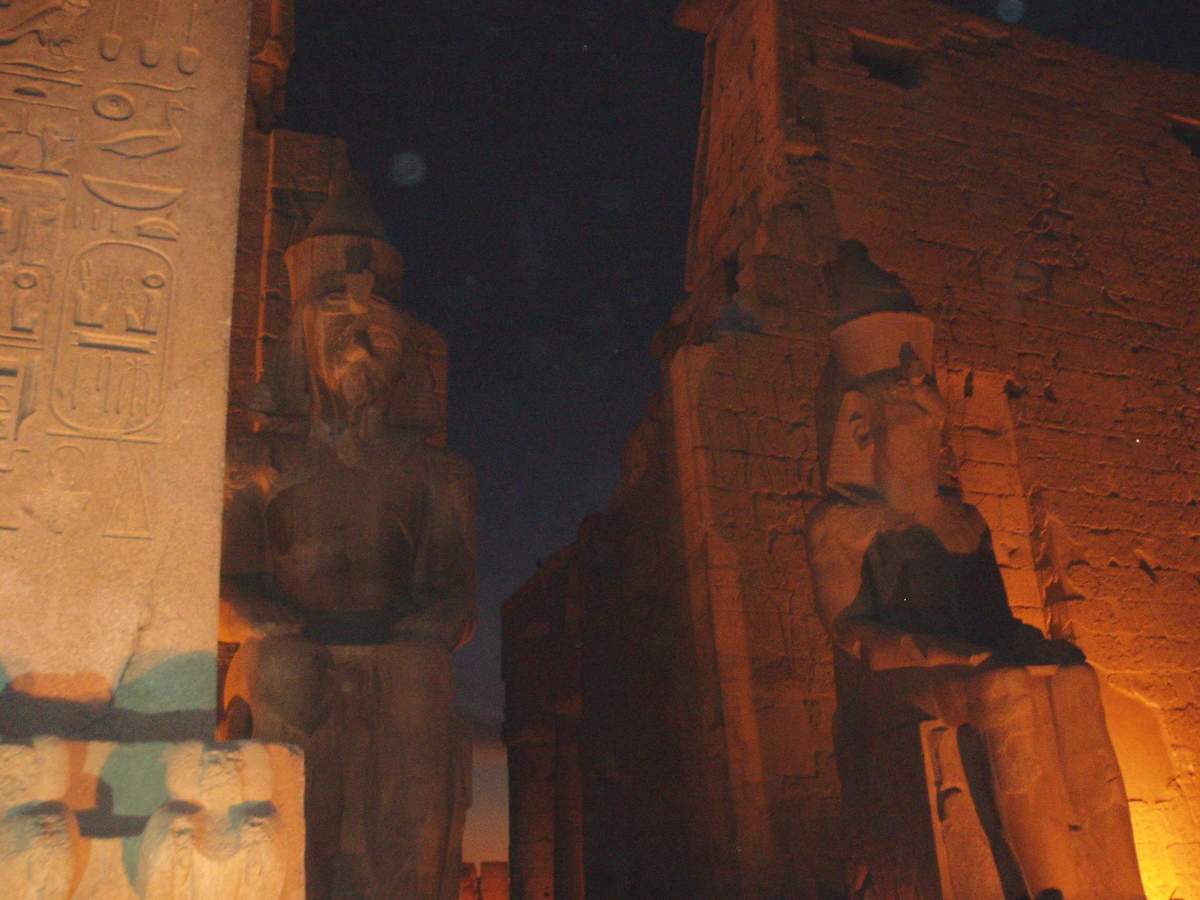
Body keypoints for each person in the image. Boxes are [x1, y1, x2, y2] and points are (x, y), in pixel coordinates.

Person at [805, 295, 1143, 898]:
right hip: (895, 681)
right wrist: (948, 653)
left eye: (930, 399)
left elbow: (996, 620)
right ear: (860, 426)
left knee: (1076, 680)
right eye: (907, 401)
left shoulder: (964, 520)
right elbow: (853, 632)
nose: (926, 412)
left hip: (963, 663)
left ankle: (1118, 885)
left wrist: (1033, 645)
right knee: (1004, 688)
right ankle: (1047, 889)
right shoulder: (841, 524)